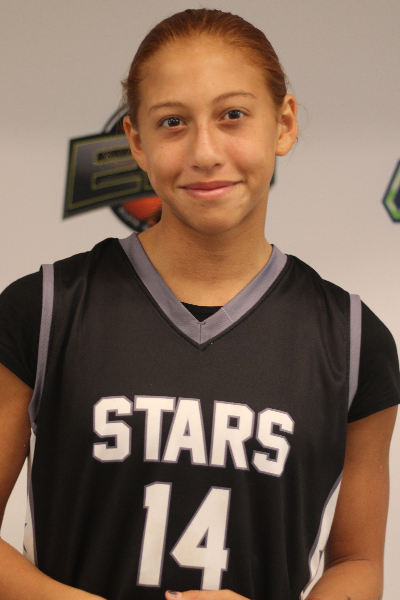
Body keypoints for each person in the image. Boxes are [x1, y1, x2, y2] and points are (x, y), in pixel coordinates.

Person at [0, 8, 398, 600]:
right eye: (172, 122)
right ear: (136, 141)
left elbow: (359, 561)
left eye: (232, 115)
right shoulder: (45, 309)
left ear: (284, 123)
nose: (205, 152)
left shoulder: (355, 340)